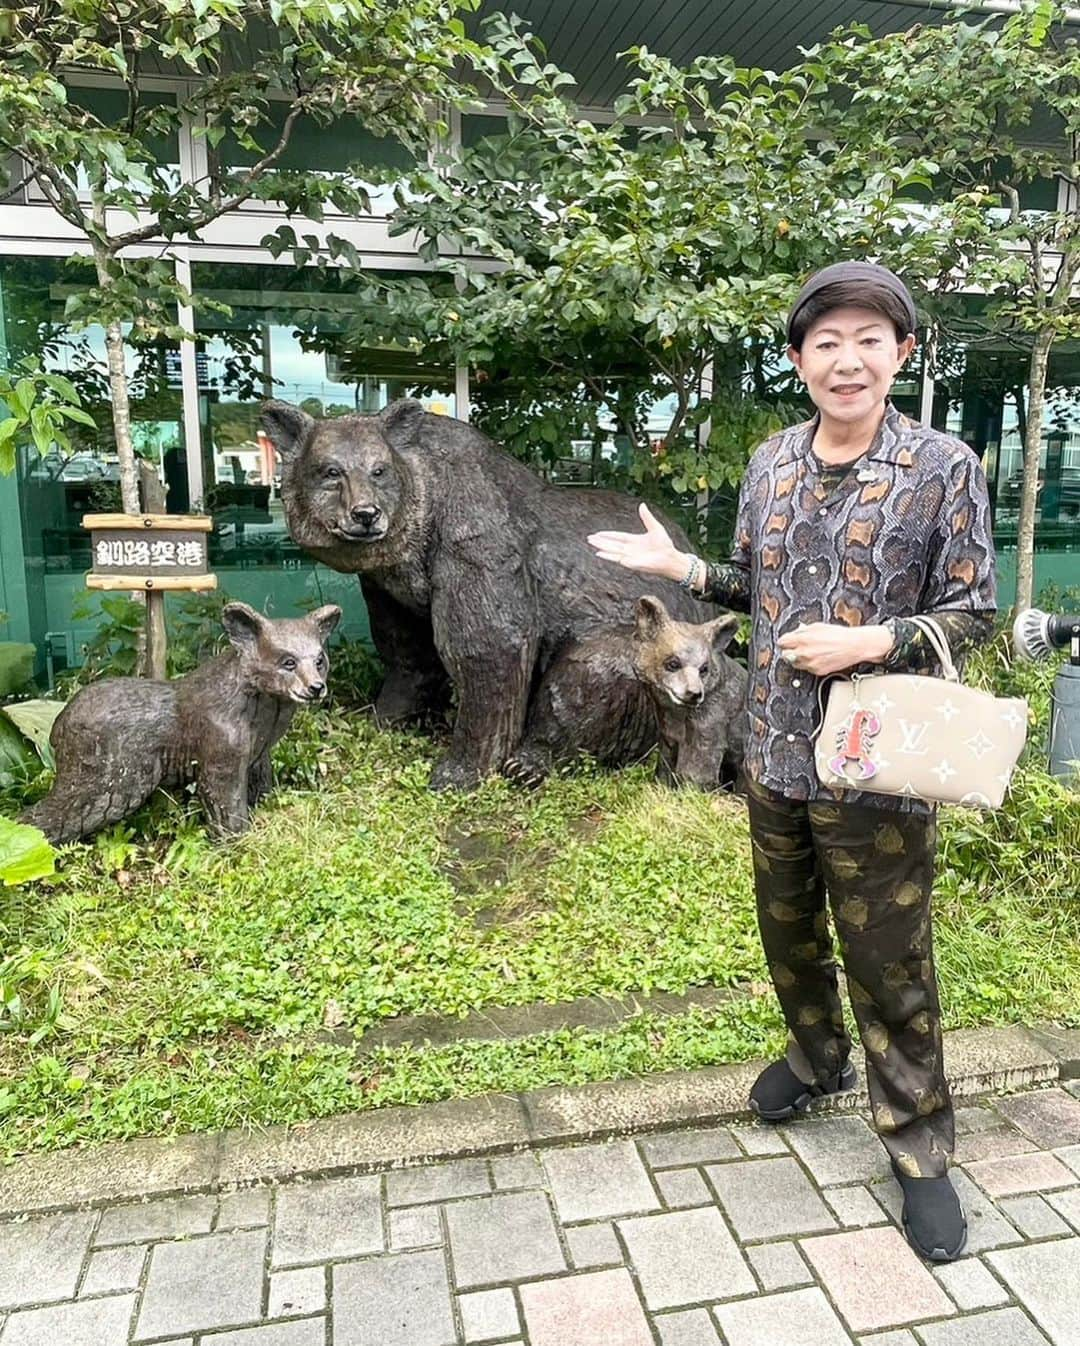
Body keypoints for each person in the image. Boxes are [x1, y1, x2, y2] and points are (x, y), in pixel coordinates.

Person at [587, 261, 996, 1263]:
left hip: (876, 758)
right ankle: (816, 1057)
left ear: (901, 353)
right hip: (771, 745)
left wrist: (871, 641)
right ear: (798, 359)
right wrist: (679, 570)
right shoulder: (771, 460)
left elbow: (973, 614)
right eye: (826, 341)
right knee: (788, 930)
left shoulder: (944, 466)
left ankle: (919, 1144)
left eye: (869, 339)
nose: (847, 359)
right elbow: (753, 584)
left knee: (890, 955)